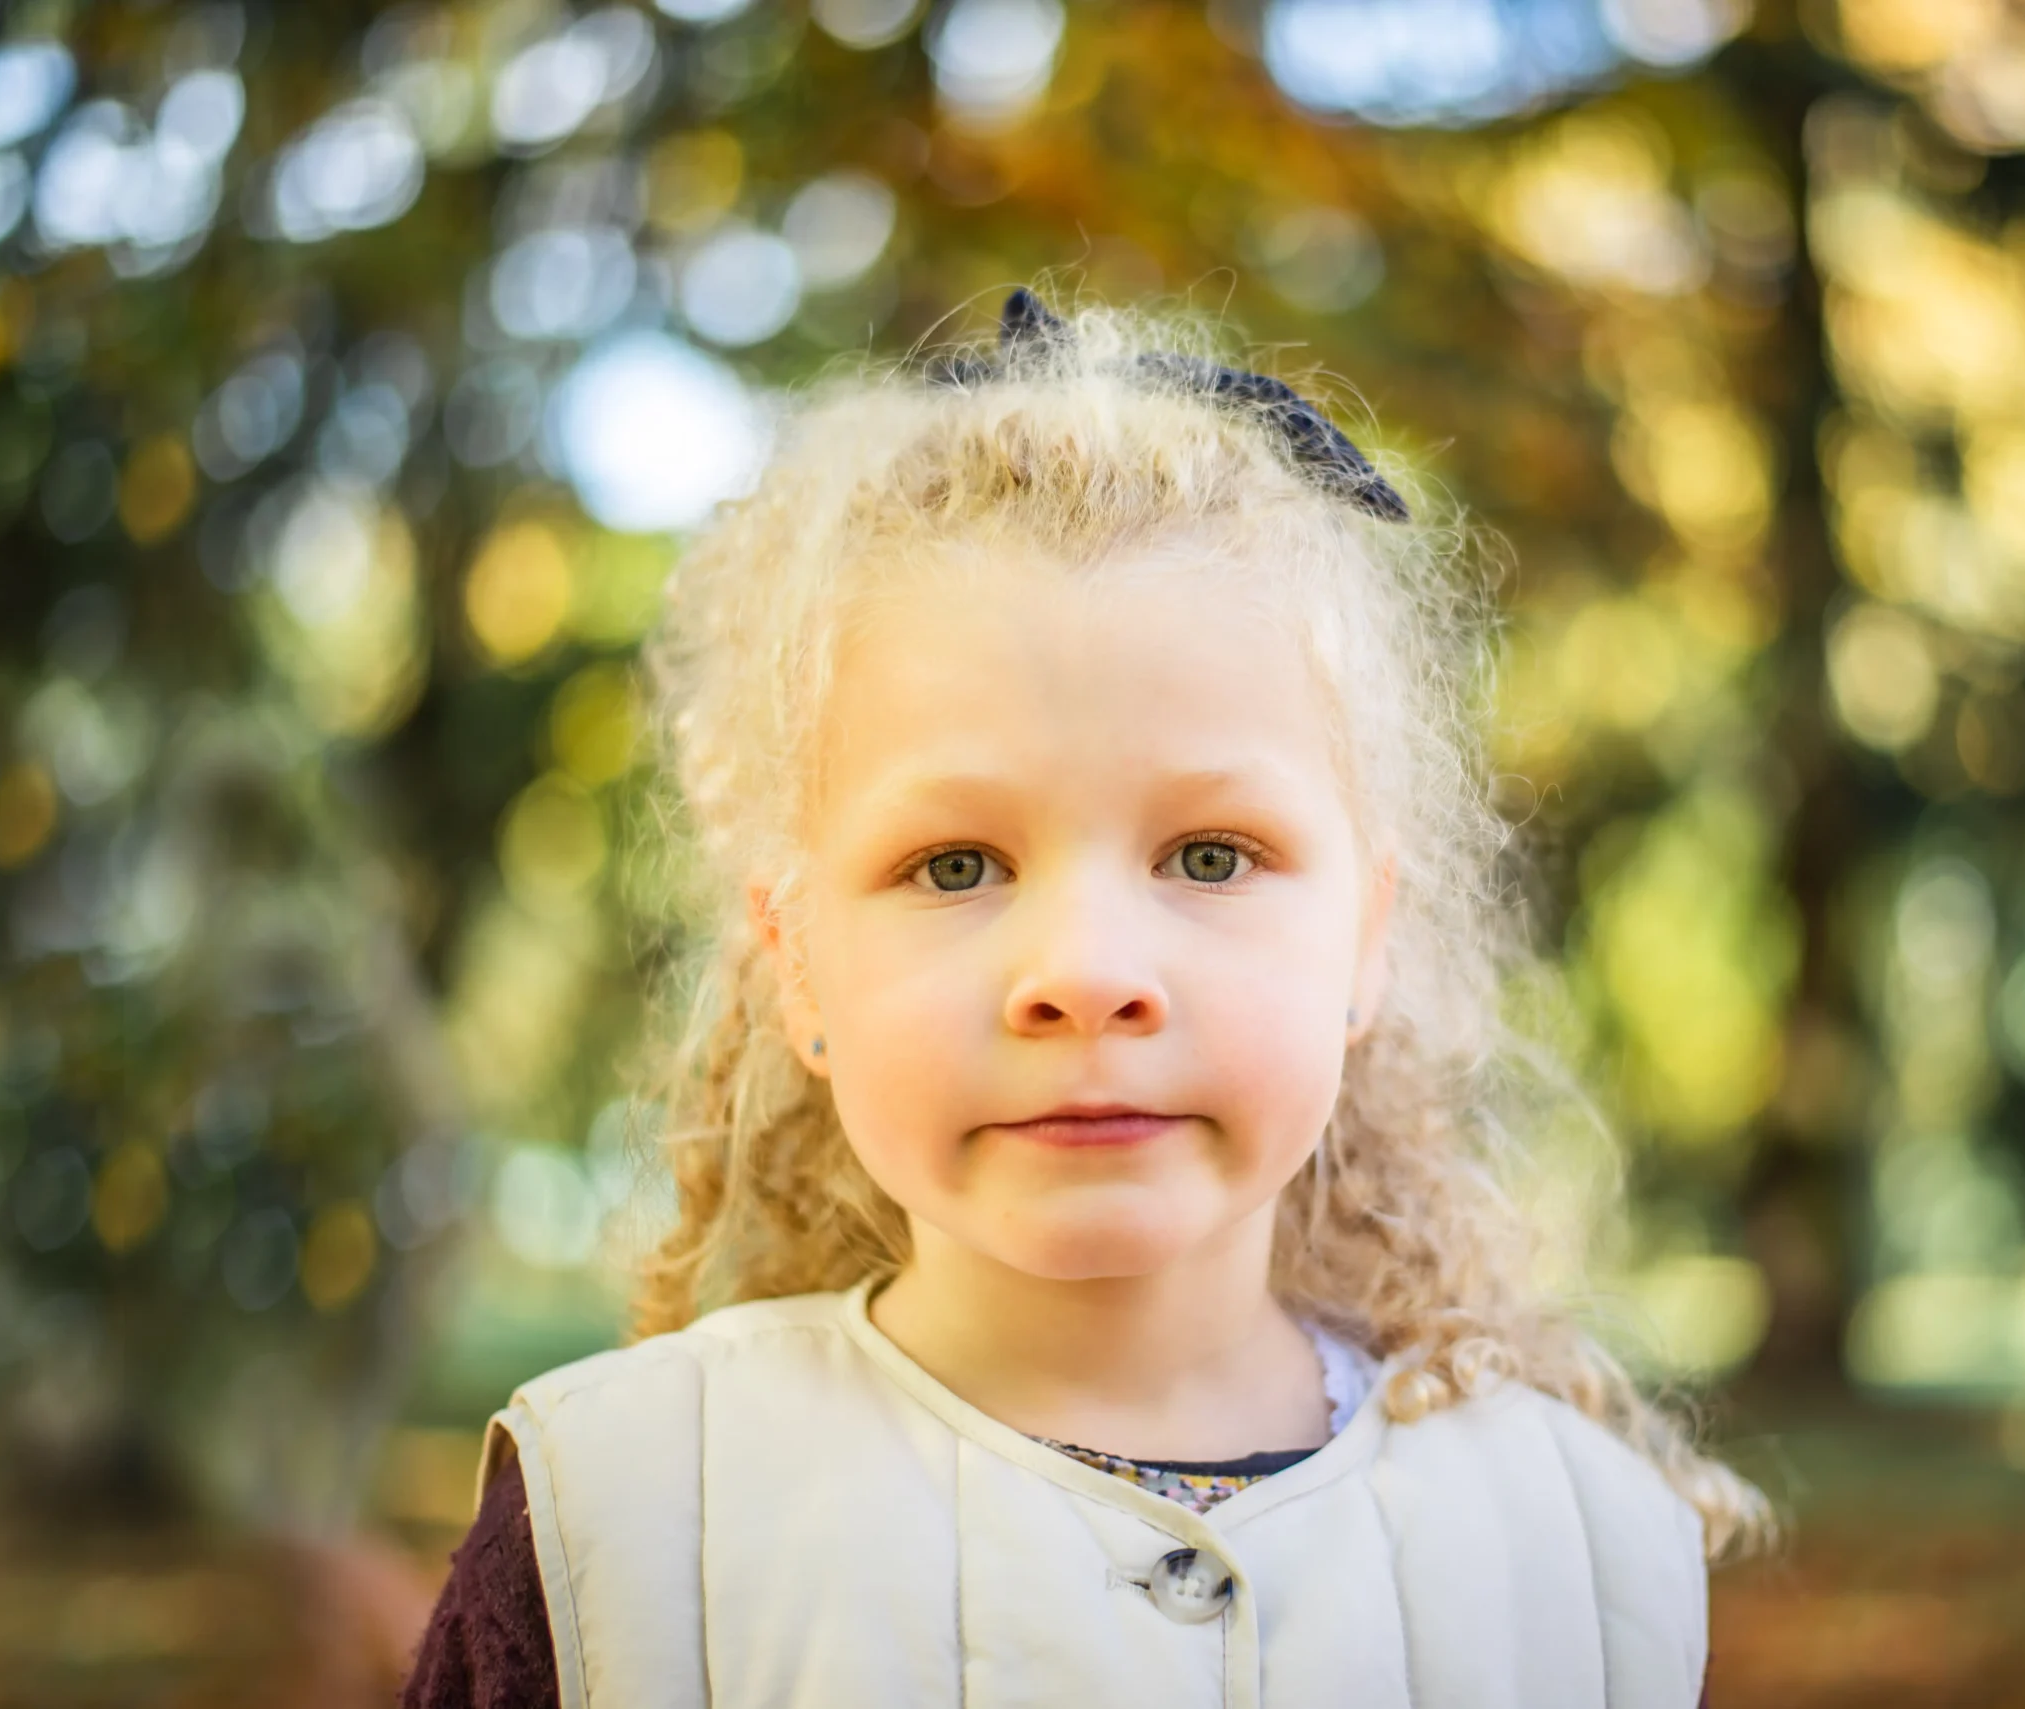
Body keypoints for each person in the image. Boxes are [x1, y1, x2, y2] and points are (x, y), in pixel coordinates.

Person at [399, 288, 1768, 1709]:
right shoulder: (613, 1532)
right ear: (793, 958)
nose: (1086, 976)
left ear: (1368, 939)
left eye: (1212, 855)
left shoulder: (1586, 1557)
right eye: (955, 864)